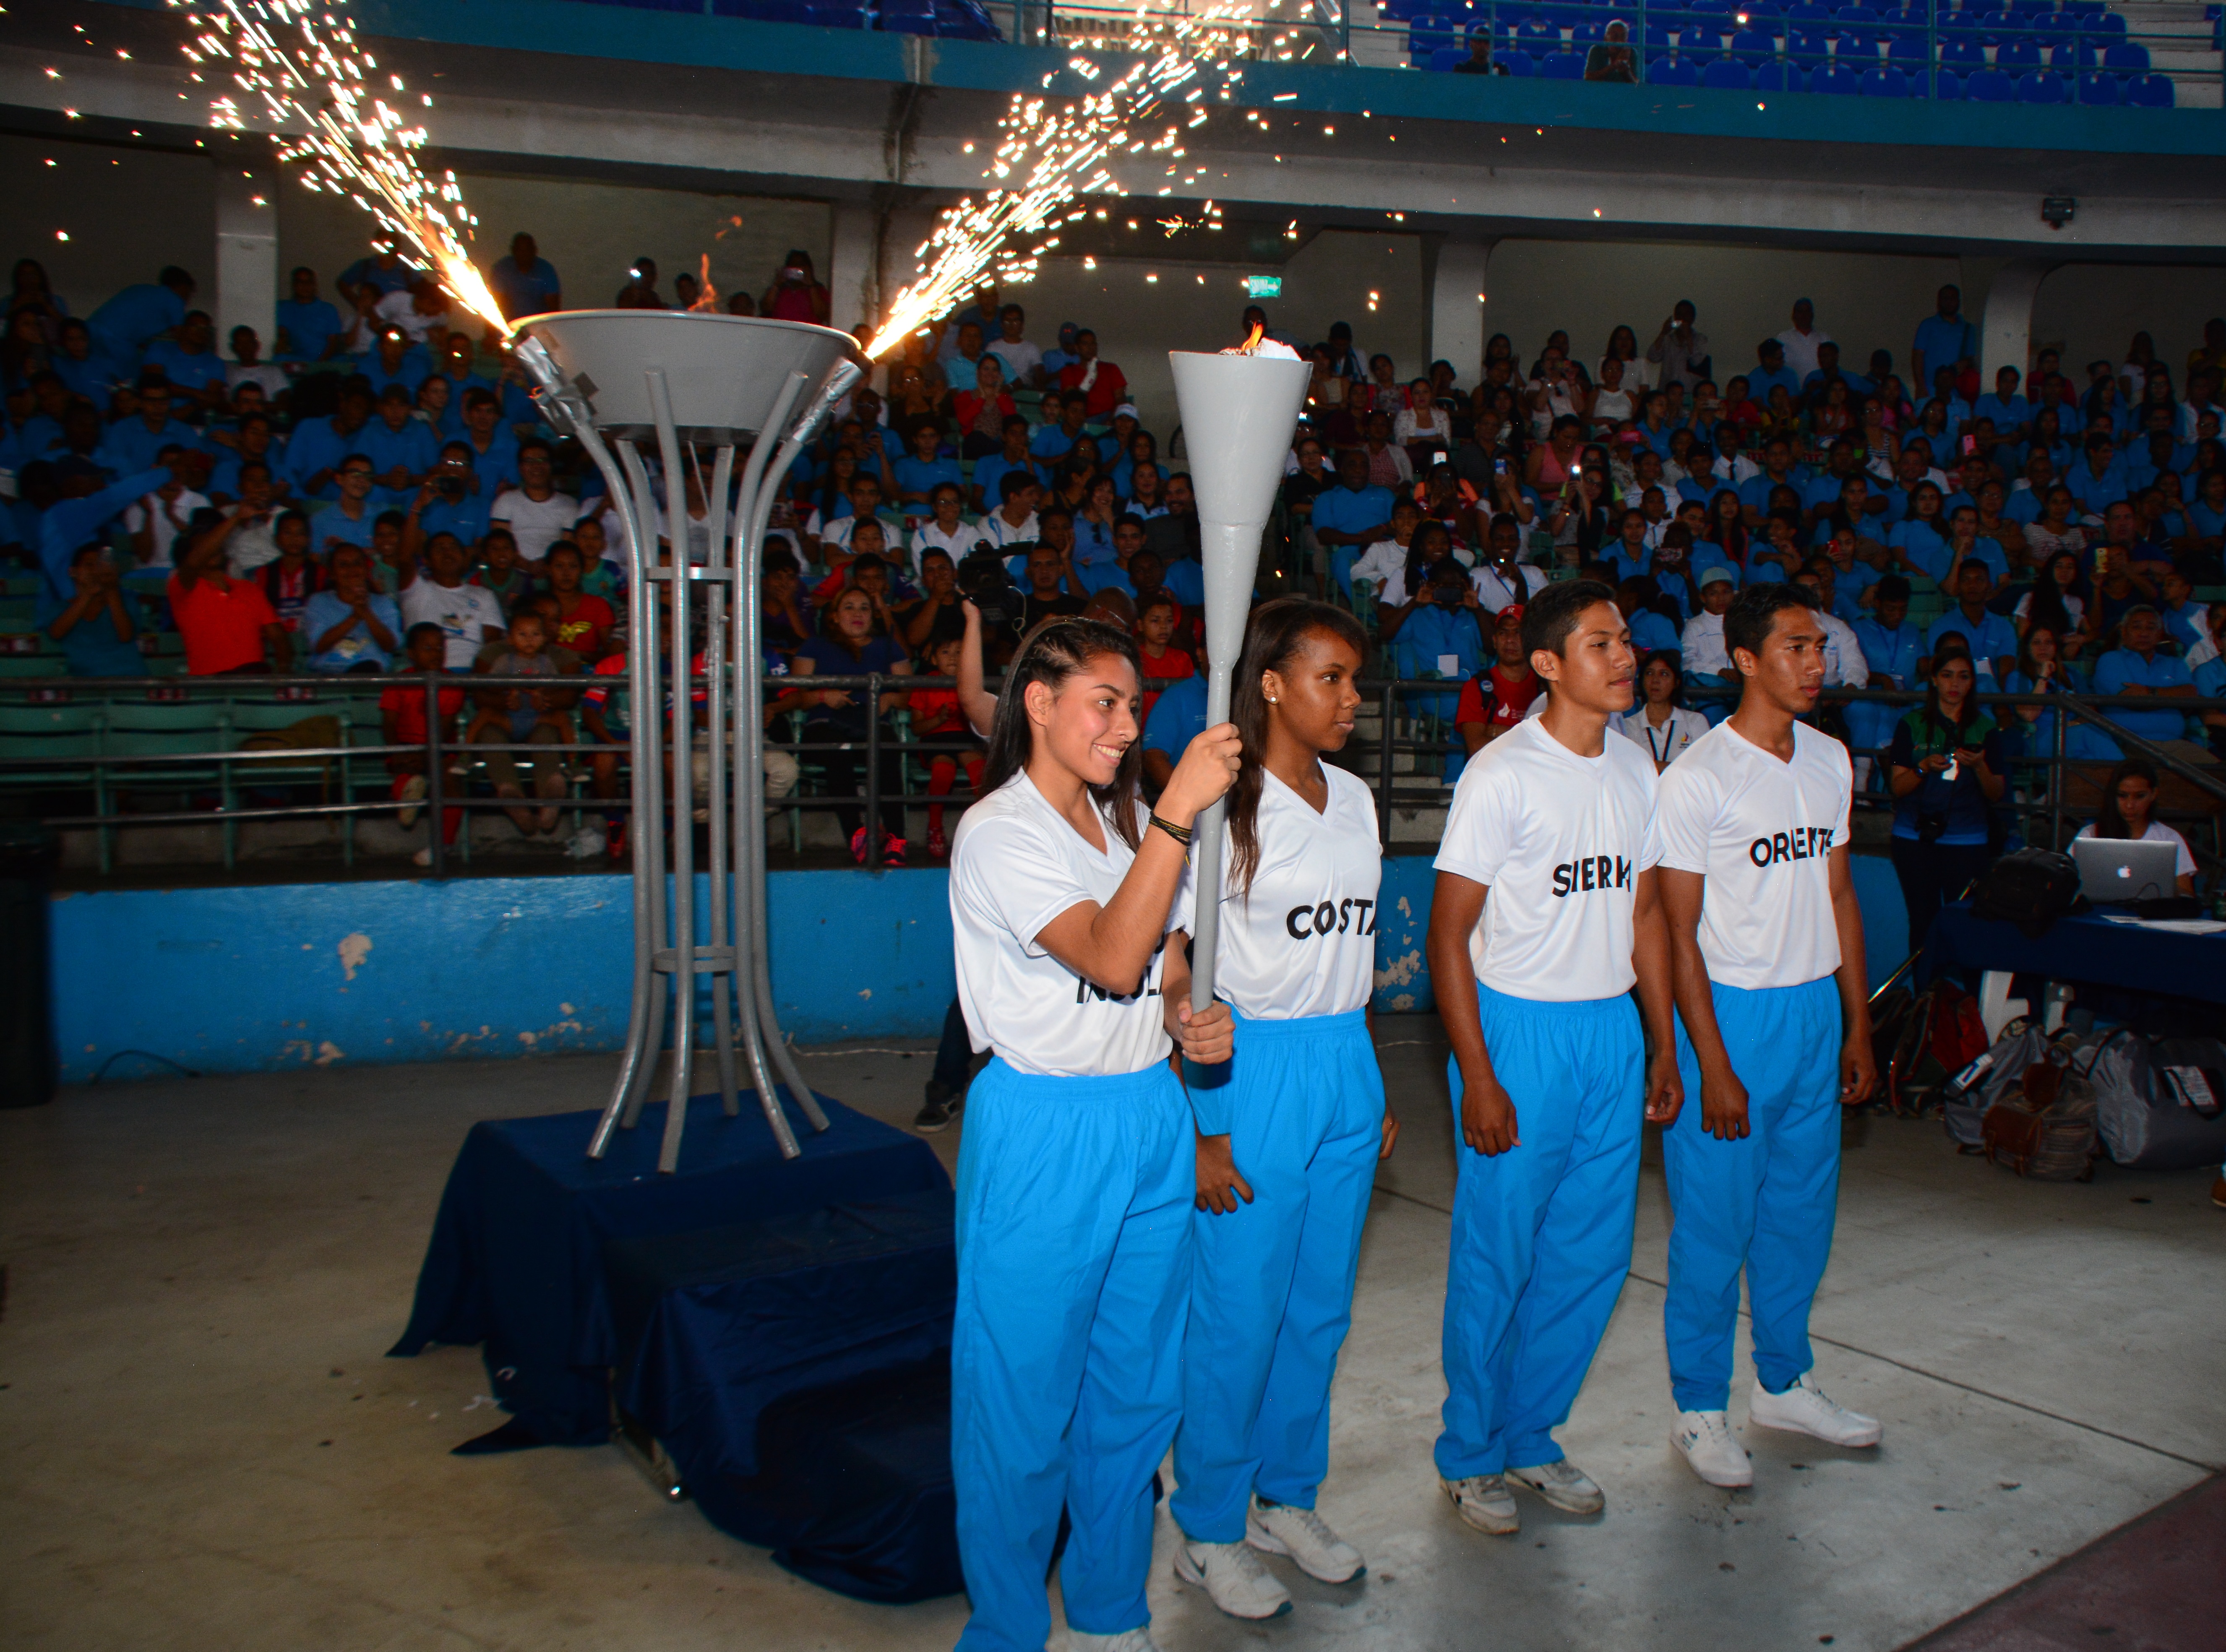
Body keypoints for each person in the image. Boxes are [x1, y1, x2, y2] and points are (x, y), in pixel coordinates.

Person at [944, 617, 1238, 1652]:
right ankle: (1010, 1627)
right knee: (1020, 1403)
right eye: (1103, 702)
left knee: (1134, 1394)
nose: (1125, 723)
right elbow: (1110, 957)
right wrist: (1176, 818)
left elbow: (1150, 978)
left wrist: (1192, 1013)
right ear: (1038, 701)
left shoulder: (1117, 832)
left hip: (1146, 1115)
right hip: (1043, 1131)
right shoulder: (1001, 831)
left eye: (1133, 704)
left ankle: (1112, 1611)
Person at [1426, 578, 1679, 1539]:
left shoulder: (1635, 771)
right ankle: (1470, 1449)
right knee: (1499, 1250)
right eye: (1602, 644)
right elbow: (1450, 935)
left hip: (1608, 1031)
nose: (1624, 658)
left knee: (1590, 1252)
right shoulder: (1502, 774)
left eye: (1626, 641)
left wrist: (1660, 1040)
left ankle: (1532, 1432)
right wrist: (1479, 1072)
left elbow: (1646, 912)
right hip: (1519, 1032)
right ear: (1546, 664)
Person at [1169, 599, 1396, 1620]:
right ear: (1271, 682)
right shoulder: (1222, 802)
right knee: (1238, 1312)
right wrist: (1205, 1120)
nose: (1353, 698)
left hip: (1342, 1059)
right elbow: (1179, 967)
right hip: (1250, 1066)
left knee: (1319, 1306)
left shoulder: (1354, 797)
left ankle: (1286, 1495)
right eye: (1331, 678)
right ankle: (1208, 1527)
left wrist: (1372, 1084)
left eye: (1355, 680)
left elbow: (1351, 948)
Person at [1655, 584, 1881, 1493]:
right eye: (1795, 647)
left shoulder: (1829, 758)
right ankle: (1700, 1406)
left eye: (1819, 647)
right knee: (1714, 1225)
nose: (1815, 663)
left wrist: (1857, 1021)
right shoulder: (1697, 778)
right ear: (1744, 660)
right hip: (1731, 1015)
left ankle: (1783, 1382)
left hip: (1810, 1010)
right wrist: (1709, 1059)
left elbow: (1837, 894)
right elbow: (1675, 933)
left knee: (1798, 1215)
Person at [1887, 652, 2005, 949]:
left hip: (1968, 840)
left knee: (1967, 924)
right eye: (1947, 675)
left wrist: (1979, 766)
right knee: (1923, 922)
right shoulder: (1911, 723)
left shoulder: (1985, 728)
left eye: (1964, 676)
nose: (1955, 683)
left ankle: (1964, 996)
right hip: (1914, 837)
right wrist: (1922, 768)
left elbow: (1997, 793)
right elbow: (1898, 788)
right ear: (1934, 680)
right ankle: (1926, 995)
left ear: (1972, 683)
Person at [792, 585, 914, 865]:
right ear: (835, 616)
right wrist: (824, 695)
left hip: (871, 723)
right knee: (839, 752)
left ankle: (897, 840)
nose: (857, 614)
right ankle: (857, 837)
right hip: (826, 724)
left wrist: (892, 699)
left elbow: (908, 694)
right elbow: (798, 696)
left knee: (888, 749)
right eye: (849, 607)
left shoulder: (888, 647)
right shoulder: (815, 646)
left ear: (873, 616)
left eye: (864, 608)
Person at [381, 622, 468, 867]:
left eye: (440, 647)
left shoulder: (451, 683)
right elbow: (388, 723)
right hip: (405, 748)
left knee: (451, 780)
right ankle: (408, 796)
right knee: (404, 774)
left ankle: (442, 846)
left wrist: (427, 756)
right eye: (427, 647)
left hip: (440, 750)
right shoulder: (400, 681)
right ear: (411, 653)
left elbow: (446, 728)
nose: (435, 653)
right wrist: (397, 751)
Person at [169, 516, 285, 675]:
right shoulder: (182, 588)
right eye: (205, 546)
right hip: (209, 687)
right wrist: (238, 516)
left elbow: (278, 636)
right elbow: (192, 564)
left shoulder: (249, 589)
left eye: (217, 544)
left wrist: (284, 670)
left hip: (253, 683)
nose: (214, 548)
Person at [2076, 757, 2197, 898]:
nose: (2130, 805)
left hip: (2151, 917)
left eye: (2139, 796)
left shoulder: (2169, 838)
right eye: (2122, 796)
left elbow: (2187, 895)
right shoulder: (2089, 835)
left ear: (2154, 794)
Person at [2091, 605, 2199, 746]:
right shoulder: (2110, 659)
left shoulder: (2174, 663)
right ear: (2124, 632)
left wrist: (2150, 692)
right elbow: (2133, 701)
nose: (2144, 633)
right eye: (2137, 627)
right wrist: (2173, 696)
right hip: (2128, 744)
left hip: (2175, 744)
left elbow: (2190, 694)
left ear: (2160, 634)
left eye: (2151, 628)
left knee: (2213, 767)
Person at [46, 543, 144, 678]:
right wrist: (87, 595)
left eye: (100, 566)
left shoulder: (127, 604)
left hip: (128, 677)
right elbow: (56, 633)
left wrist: (112, 589)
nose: (95, 572)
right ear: (73, 572)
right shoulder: (59, 609)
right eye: (89, 565)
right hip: (84, 681)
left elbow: (126, 636)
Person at [302, 544, 401, 673]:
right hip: (330, 679)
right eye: (343, 565)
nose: (352, 569)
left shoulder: (384, 603)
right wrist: (354, 617)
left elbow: (390, 646)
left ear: (367, 570)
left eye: (357, 563)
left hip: (374, 679)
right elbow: (319, 646)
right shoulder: (319, 602)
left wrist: (367, 613)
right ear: (332, 573)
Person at [1614, 649, 1708, 771]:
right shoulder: (1627, 726)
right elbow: (1624, 770)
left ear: (1676, 682)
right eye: (1649, 673)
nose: (1655, 680)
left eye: (1664, 674)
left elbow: (1704, 770)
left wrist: (1653, 768)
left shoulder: (1695, 721)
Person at [488, 232, 562, 320]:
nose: (524, 254)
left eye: (528, 250)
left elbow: (554, 309)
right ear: (514, 251)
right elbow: (494, 304)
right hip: (509, 326)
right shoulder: (502, 270)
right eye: (520, 250)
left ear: (535, 251)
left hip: (538, 325)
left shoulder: (546, 271)